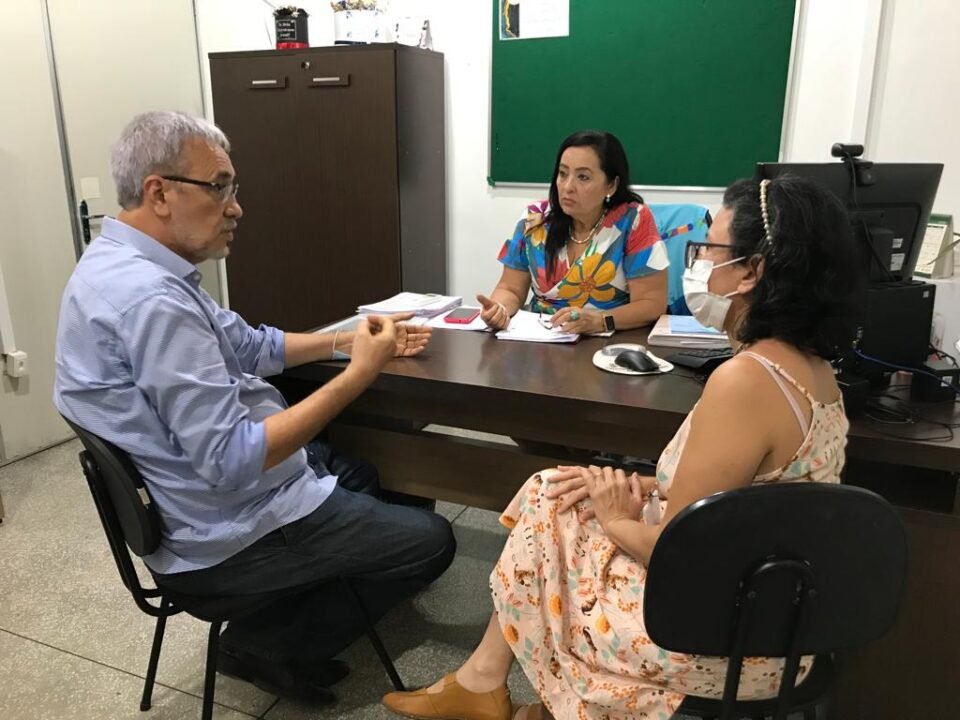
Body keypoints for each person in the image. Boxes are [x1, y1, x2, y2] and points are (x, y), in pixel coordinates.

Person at [382, 174, 861, 719]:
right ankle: (483, 683)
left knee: (551, 507)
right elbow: (751, 492)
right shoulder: (813, 371)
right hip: (774, 617)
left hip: (718, 639)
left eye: (710, 249)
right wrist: (637, 484)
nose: (698, 261)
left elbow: (678, 553)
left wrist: (615, 518)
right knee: (557, 487)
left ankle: (519, 695)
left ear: (751, 271)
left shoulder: (747, 380)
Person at [54, 111, 456, 704]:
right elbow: (234, 460)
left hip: (193, 505)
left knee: (362, 473)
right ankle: (263, 642)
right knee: (433, 540)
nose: (236, 208)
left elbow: (249, 345)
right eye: (219, 187)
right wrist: (360, 375)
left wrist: (346, 341)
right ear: (159, 193)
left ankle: (298, 600)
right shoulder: (150, 301)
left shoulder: (121, 265)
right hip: (221, 535)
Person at [477, 130, 667, 336]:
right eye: (563, 173)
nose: (567, 187)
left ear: (611, 185)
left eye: (583, 177)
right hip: (541, 338)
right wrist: (500, 310)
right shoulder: (534, 219)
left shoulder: (633, 221)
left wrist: (600, 321)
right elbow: (510, 289)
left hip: (607, 342)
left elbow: (652, 304)